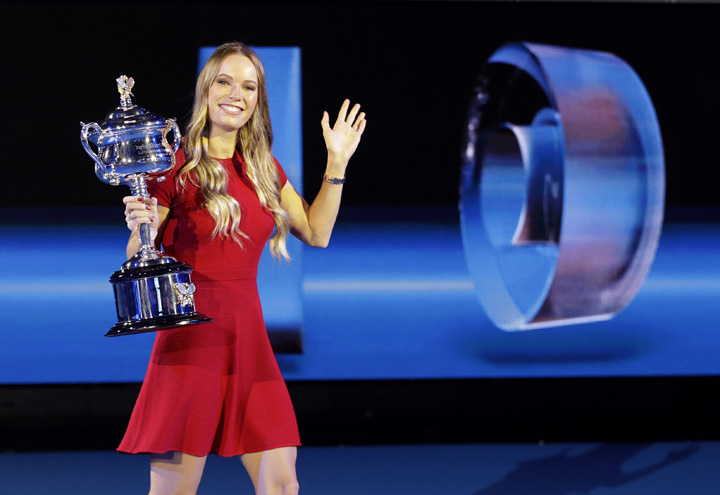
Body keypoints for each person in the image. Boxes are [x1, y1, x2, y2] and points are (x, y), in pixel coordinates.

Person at [120, 41, 366, 495]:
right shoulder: (174, 165)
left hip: (249, 346)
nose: (237, 94)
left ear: (258, 100)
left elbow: (317, 232)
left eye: (249, 86)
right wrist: (140, 226)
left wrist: (337, 163)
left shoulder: (263, 169)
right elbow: (141, 248)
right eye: (225, 81)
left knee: (282, 485)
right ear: (207, 91)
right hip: (189, 345)